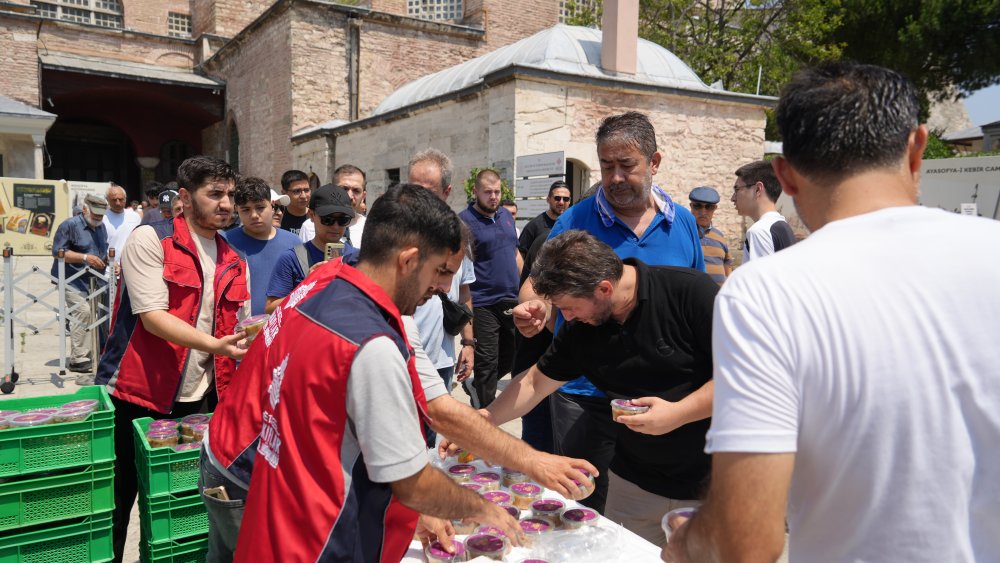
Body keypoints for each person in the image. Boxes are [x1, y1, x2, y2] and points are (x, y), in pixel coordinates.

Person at [664, 62, 1000, 563]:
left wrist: (688, 542)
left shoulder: (765, 294)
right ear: (917, 148)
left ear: (784, 175)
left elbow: (747, 539)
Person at [229, 185, 524, 562]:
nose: (442, 288)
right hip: (324, 542)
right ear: (408, 260)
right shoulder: (371, 342)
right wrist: (482, 508)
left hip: (277, 527)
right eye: (439, 271)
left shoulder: (323, 291)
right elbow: (412, 483)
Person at [518, 111, 704, 513]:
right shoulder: (574, 219)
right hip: (585, 395)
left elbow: (693, 305)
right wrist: (533, 306)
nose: (615, 177)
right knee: (583, 504)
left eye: (626, 166)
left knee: (652, 506)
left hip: (660, 403)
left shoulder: (683, 224)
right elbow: (538, 285)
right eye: (606, 166)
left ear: (654, 162)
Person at [493, 230, 717, 543]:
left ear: (604, 288)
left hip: (711, 487)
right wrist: (480, 420)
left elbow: (746, 377)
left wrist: (678, 413)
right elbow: (534, 383)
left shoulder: (691, 292)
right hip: (633, 486)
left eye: (569, 307)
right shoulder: (581, 328)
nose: (565, 317)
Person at [95, 156, 249, 562]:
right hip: (137, 391)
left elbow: (241, 324)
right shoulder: (151, 240)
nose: (226, 204)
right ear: (184, 197)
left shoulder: (234, 258)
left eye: (230, 195)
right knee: (117, 500)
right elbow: (153, 319)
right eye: (214, 194)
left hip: (201, 397)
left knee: (179, 502)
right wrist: (217, 346)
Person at [408, 149, 476, 397]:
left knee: (434, 434)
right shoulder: (392, 234)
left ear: (446, 192)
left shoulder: (459, 235)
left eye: (429, 192)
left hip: (439, 361)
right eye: (414, 190)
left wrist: (468, 343)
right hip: (399, 358)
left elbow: (464, 290)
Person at [459, 169, 523, 408]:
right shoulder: (464, 221)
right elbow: (461, 266)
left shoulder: (506, 216)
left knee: (515, 354)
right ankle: (486, 415)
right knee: (487, 361)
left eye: (497, 192)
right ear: (476, 192)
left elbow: (515, 254)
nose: (494, 197)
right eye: (488, 192)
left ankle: (477, 386)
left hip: (511, 298)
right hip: (482, 301)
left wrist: (528, 283)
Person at [265, 184, 354, 313]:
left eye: (343, 220)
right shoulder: (291, 258)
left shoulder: (358, 257)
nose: (335, 226)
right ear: (311, 215)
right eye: (328, 219)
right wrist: (306, 288)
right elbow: (270, 308)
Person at [222, 177, 301, 316]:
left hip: (283, 329)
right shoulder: (224, 242)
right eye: (246, 209)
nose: (254, 215)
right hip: (237, 332)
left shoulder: (295, 243)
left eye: (260, 207)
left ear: (272, 206)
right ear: (236, 210)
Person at [52, 193, 110, 379]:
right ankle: (78, 359)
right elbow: (58, 252)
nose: (98, 220)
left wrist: (109, 261)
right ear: (85, 209)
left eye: (101, 216)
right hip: (71, 278)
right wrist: (84, 257)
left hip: (94, 279)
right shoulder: (69, 225)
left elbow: (102, 250)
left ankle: (92, 352)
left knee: (94, 315)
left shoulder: (101, 228)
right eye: (95, 216)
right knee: (82, 312)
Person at [731, 160, 796, 262]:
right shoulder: (783, 226)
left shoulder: (759, 231)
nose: (733, 198)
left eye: (737, 189)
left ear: (758, 189)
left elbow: (760, 277)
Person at [298, 164, 367, 247]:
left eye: (356, 191)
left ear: (363, 196)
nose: (349, 196)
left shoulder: (371, 228)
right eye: (344, 189)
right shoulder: (309, 226)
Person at [688, 186, 732, 285]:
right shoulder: (685, 233)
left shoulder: (720, 236)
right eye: (698, 206)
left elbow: (728, 265)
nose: (703, 212)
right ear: (691, 206)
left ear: (715, 208)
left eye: (708, 207)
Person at [517, 180, 571, 257]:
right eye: (557, 198)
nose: (561, 202)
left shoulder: (573, 224)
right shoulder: (533, 226)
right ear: (548, 200)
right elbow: (520, 255)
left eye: (566, 199)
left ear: (569, 201)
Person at [102, 183, 141, 264]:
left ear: (125, 199)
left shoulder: (135, 217)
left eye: (121, 199)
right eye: (114, 200)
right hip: (108, 267)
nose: (118, 203)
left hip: (130, 265)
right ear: (107, 200)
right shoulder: (102, 218)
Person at [278, 169, 311, 236]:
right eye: (297, 191)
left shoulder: (317, 218)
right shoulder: (278, 219)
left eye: (306, 190)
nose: (303, 196)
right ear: (284, 193)